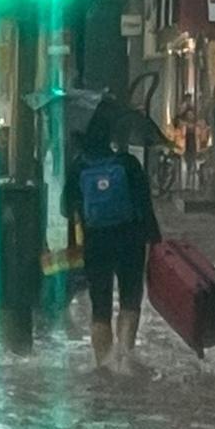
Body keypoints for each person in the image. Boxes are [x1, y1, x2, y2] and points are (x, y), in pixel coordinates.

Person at [64, 107, 160, 365]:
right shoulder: (128, 164)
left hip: (96, 242)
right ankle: (126, 357)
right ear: (109, 137)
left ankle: (103, 365)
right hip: (130, 240)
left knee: (100, 307)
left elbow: (65, 209)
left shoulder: (78, 167)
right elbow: (145, 205)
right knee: (130, 298)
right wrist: (155, 239)